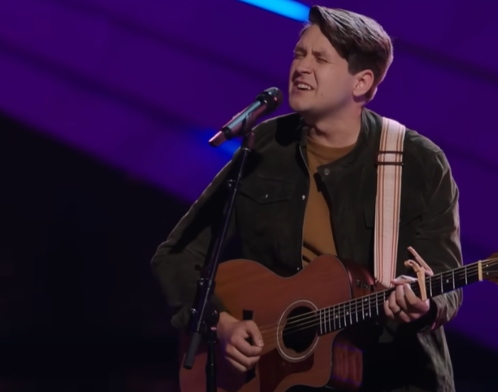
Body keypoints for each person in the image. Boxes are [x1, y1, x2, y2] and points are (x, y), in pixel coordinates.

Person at [151, 5, 463, 392]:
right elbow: (177, 254)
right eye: (299, 54)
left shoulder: (418, 162)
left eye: (320, 58)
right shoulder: (265, 145)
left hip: (392, 376)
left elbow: (447, 280)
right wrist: (222, 324)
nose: (301, 67)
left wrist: (425, 305)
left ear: (361, 82)